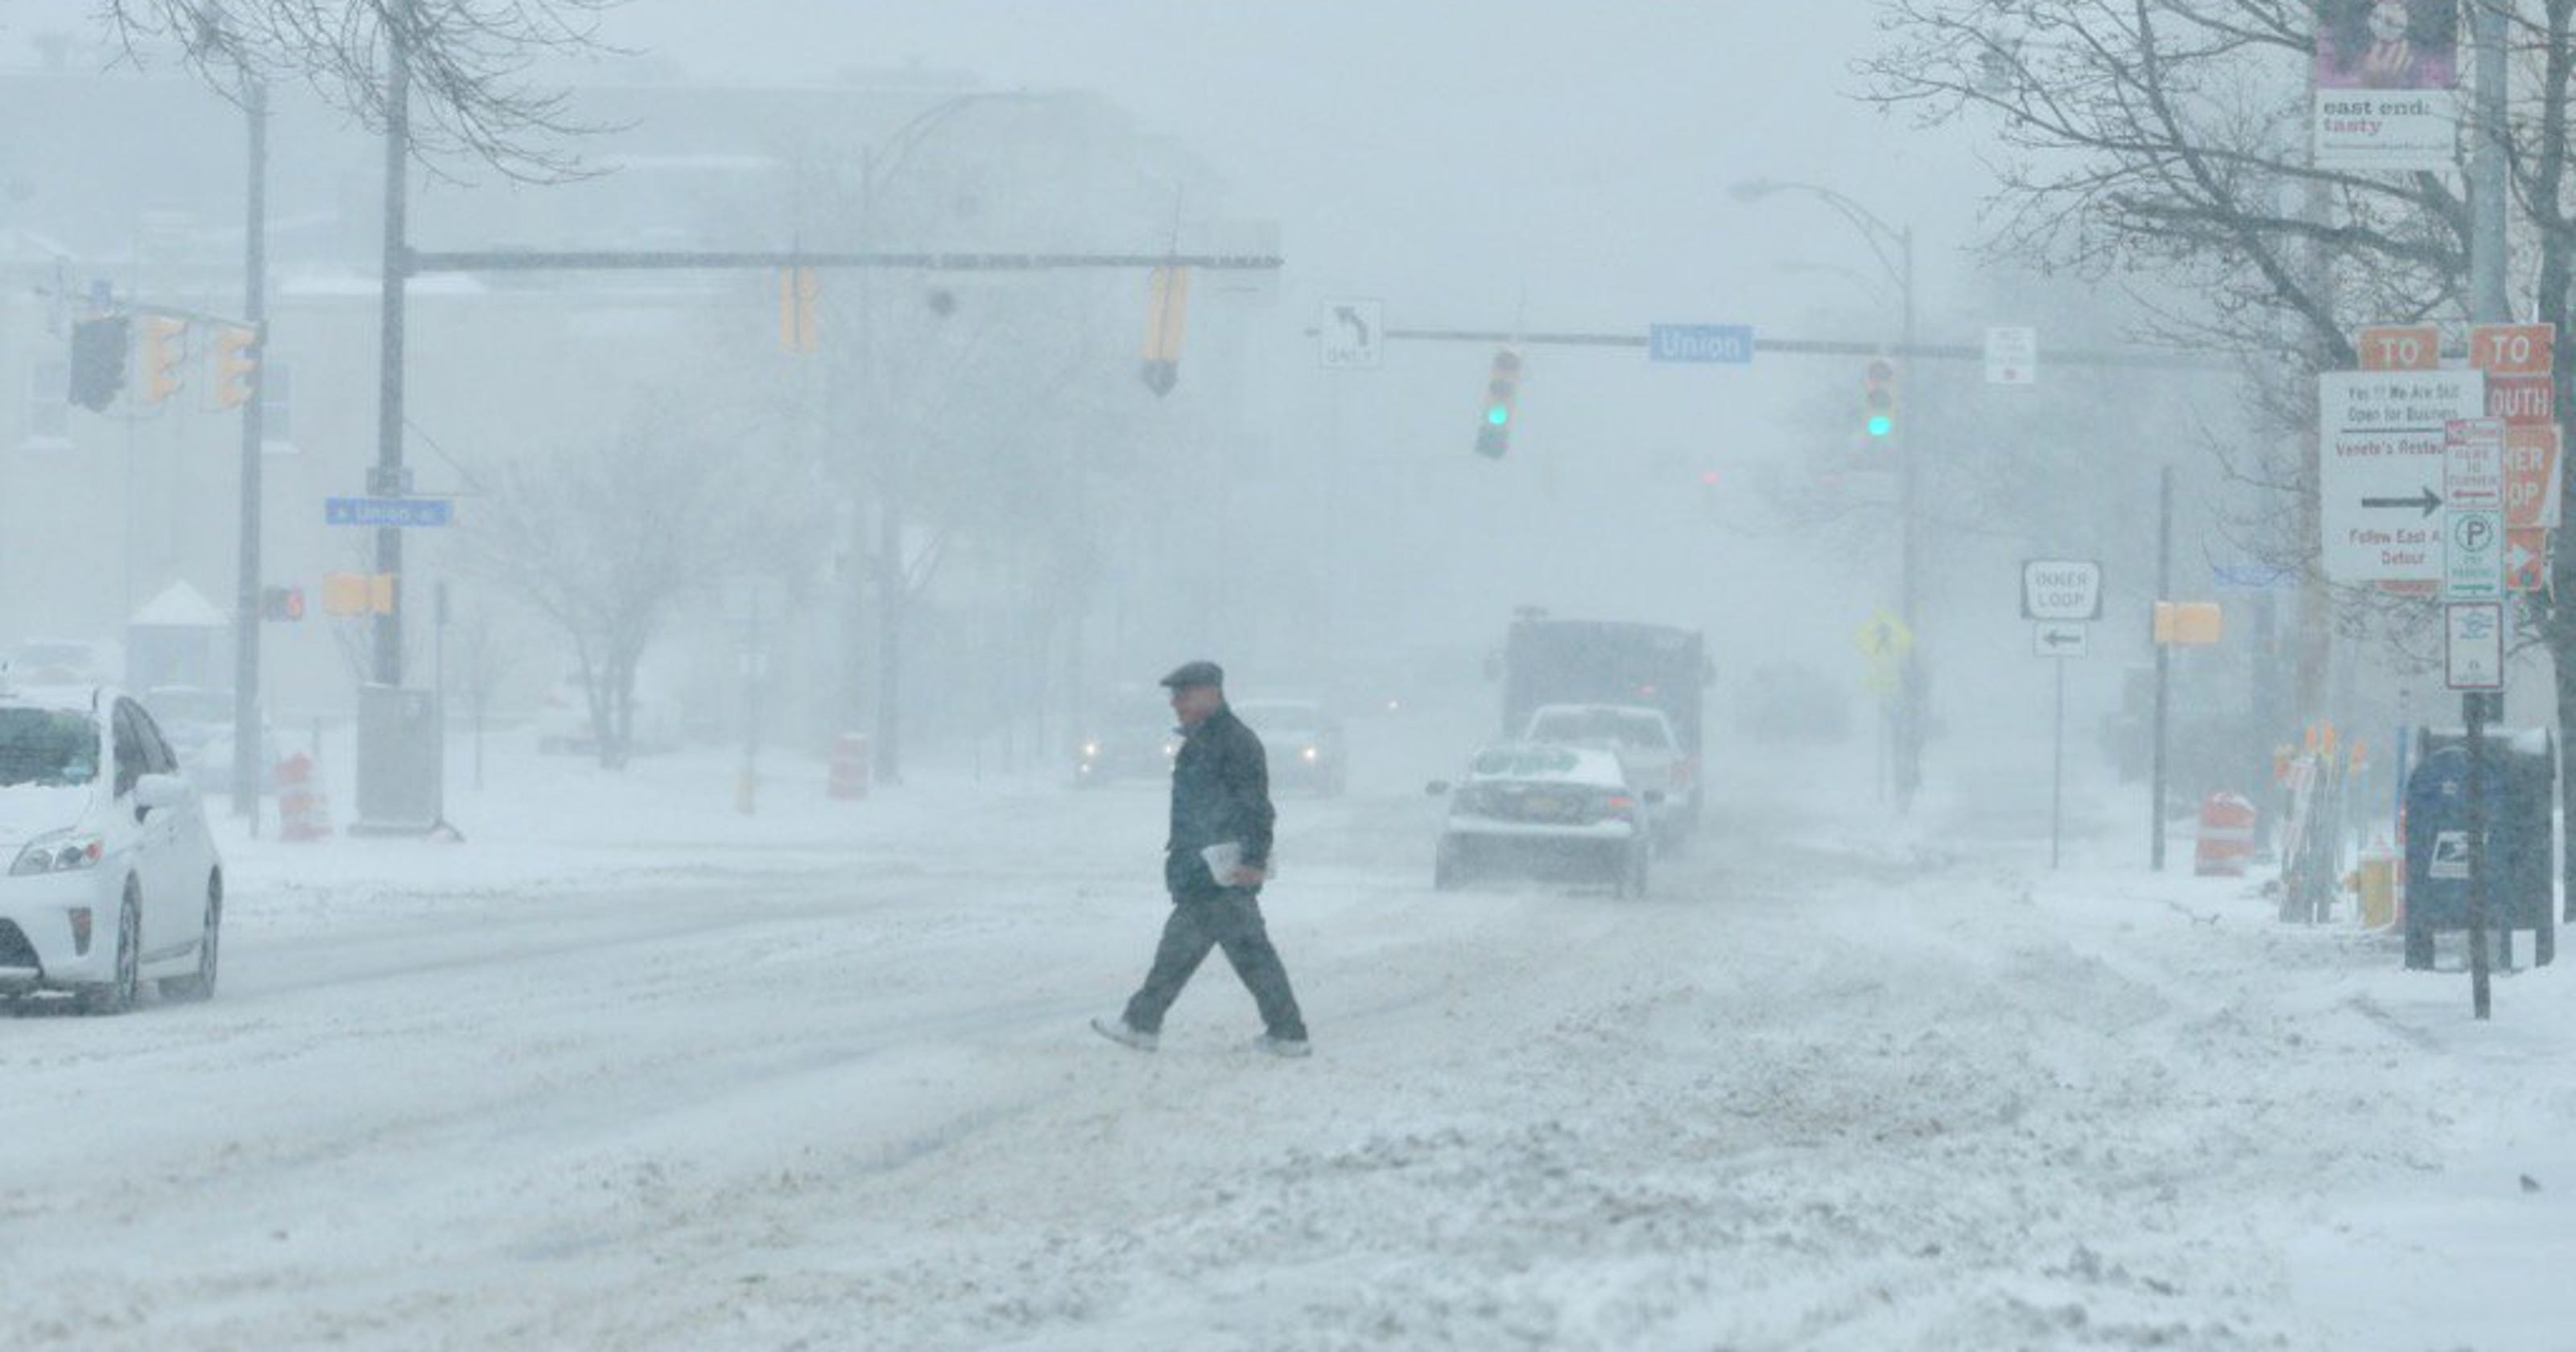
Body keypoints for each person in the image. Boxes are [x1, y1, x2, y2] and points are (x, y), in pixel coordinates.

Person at [1092, 661, 1311, 1057]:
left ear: (1212, 693)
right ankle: (1283, 1032)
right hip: (1205, 866)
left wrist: (1254, 859)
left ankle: (1144, 1023)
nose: (1175, 703)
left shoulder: (1234, 742)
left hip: (1220, 870)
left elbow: (1256, 806)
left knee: (1233, 954)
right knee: (1208, 952)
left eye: (1183, 694)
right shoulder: (1206, 739)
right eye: (1174, 696)